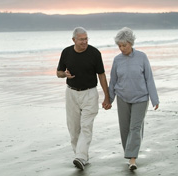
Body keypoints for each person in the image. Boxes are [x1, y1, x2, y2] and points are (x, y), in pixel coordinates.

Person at [56, 27, 111, 171]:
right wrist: (64, 75)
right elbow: (58, 73)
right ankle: (80, 156)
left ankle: (80, 157)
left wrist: (107, 96)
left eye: (86, 39)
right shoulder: (66, 52)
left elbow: (102, 75)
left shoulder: (94, 53)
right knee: (74, 128)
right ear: (74, 40)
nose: (84, 42)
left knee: (86, 126)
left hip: (90, 94)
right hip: (71, 94)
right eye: (81, 39)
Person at [108, 27, 159, 171]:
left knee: (135, 128)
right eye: (119, 46)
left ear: (131, 43)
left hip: (141, 98)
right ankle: (129, 153)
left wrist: (154, 99)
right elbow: (113, 81)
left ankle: (132, 158)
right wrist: (109, 99)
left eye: (124, 45)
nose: (122, 48)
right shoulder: (117, 60)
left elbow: (149, 78)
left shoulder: (142, 57)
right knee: (125, 129)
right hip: (123, 97)